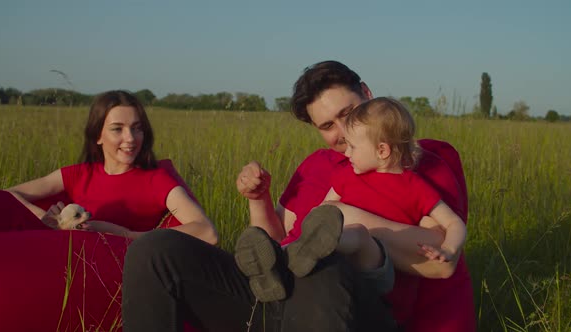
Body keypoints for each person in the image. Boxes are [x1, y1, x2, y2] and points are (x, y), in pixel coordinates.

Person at [123, 61, 474, 332]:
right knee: (154, 251)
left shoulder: (417, 160)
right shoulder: (316, 167)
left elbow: (439, 261)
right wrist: (258, 199)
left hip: (349, 304)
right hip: (275, 295)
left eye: (347, 115)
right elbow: (276, 239)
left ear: (367, 93)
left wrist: (343, 220)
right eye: (326, 126)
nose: (340, 134)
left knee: (324, 263)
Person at [0, 90, 217, 332]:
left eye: (137, 128)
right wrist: (46, 218)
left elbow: (207, 232)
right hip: (64, 273)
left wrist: (126, 235)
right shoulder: (80, 174)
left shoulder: (156, 180)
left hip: (115, 280)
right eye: (117, 129)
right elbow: (8, 196)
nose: (130, 138)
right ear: (97, 135)